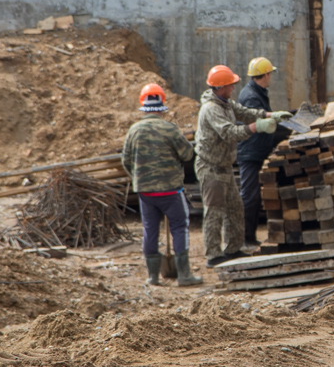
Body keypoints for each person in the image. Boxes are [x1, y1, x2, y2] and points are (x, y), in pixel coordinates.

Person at [196, 64, 289, 266]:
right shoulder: (211, 109)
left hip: (224, 165)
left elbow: (245, 112)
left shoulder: (226, 103)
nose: (233, 89)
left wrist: (270, 115)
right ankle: (213, 255)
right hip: (211, 167)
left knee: (235, 209)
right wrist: (257, 127)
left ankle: (233, 249)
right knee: (214, 211)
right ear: (220, 87)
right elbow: (229, 132)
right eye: (230, 85)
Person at [120, 83, 201, 287]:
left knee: (149, 230)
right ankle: (184, 275)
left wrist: (140, 178)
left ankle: (153, 276)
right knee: (179, 227)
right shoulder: (170, 129)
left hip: (146, 192)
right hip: (171, 190)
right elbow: (188, 154)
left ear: (143, 104)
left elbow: (125, 161)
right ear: (162, 105)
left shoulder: (134, 131)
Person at [237, 56, 287, 250]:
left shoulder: (257, 92)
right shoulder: (251, 96)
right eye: (270, 74)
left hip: (258, 150)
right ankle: (245, 238)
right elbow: (259, 124)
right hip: (251, 152)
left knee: (254, 196)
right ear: (265, 75)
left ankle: (249, 237)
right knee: (249, 196)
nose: (271, 78)